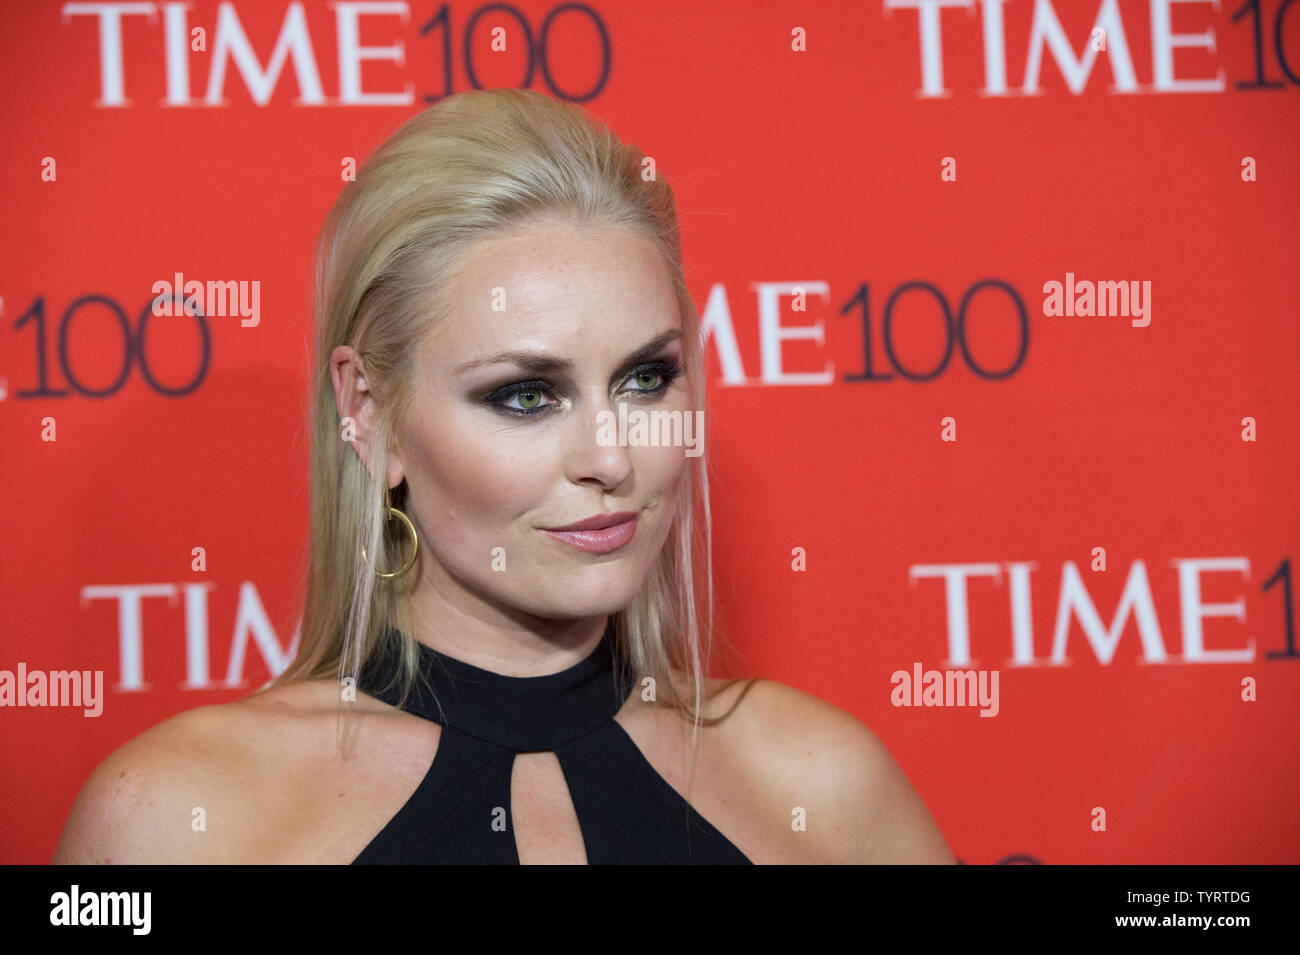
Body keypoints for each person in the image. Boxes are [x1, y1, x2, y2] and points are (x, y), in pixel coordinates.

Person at [53, 88, 955, 864]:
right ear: (369, 412)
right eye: (527, 395)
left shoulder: (823, 786)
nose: (611, 457)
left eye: (647, 378)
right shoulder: (178, 820)